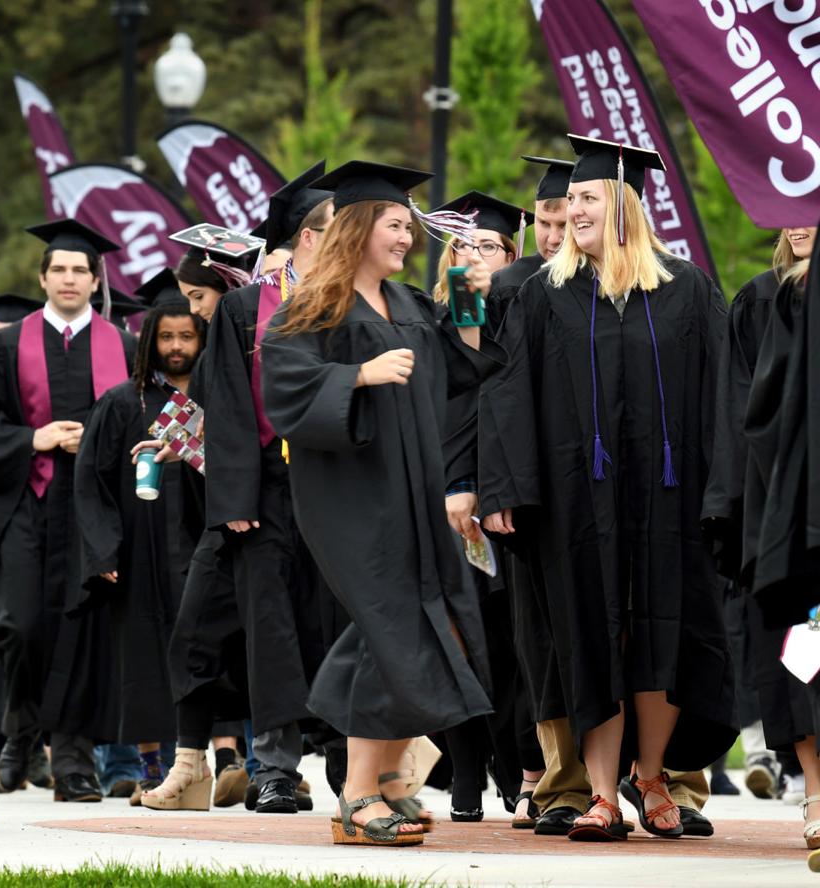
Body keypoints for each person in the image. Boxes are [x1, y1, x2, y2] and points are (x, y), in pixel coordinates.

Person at [479, 135, 736, 842]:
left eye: (588, 199)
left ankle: (650, 775)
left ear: (623, 207)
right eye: (572, 201)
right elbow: (505, 398)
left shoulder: (688, 290)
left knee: (660, 628)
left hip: (666, 497)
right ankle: (600, 795)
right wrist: (503, 486)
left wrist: (727, 492)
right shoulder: (542, 295)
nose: (574, 210)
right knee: (592, 636)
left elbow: (720, 396)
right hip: (574, 501)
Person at [261, 160, 504, 846]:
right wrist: (357, 375)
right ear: (361, 226)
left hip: (415, 490)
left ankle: (390, 780)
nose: (406, 238)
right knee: (388, 627)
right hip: (351, 498)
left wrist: (466, 295)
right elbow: (285, 394)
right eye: (396, 225)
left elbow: (465, 367)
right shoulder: (312, 307)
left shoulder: (407, 305)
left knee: (437, 623)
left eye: (408, 227)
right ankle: (359, 793)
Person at [142, 170, 336, 816]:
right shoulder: (245, 308)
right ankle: (276, 767)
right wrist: (233, 503)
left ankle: (352, 764)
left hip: (343, 485)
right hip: (268, 487)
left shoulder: (359, 300)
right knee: (271, 627)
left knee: (340, 620)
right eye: (336, 229)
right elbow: (222, 405)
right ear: (307, 238)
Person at [0, 219, 137, 803]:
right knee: (23, 625)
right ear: (42, 277)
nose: (68, 278)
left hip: (95, 512)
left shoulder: (124, 348)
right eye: (58, 269)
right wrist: (33, 439)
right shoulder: (5, 347)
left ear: (94, 279)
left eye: (79, 270)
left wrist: (101, 444)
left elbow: (144, 423)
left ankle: (75, 762)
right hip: (27, 506)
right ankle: (21, 731)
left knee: (84, 633)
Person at [429, 190, 547, 825]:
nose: (475, 256)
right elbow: (457, 402)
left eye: (489, 246)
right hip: (452, 494)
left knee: (511, 645)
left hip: (506, 493)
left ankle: (516, 764)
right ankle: (468, 771)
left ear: (513, 253)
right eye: (464, 245)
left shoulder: (528, 312)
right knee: (463, 640)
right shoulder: (438, 318)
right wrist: (456, 483)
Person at [74, 278, 207, 803]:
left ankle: (239, 761)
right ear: (150, 340)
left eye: (187, 336)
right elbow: (92, 480)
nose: (177, 346)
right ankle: (154, 764)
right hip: (143, 550)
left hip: (207, 542)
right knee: (147, 658)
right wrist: (104, 549)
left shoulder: (221, 398)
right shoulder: (123, 402)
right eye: (167, 337)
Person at [710, 223, 818, 846]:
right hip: (783, 517)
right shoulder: (760, 299)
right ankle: (816, 797)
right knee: (798, 657)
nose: (798, 222)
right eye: (788, 211)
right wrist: (729, 509)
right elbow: (737, 410)